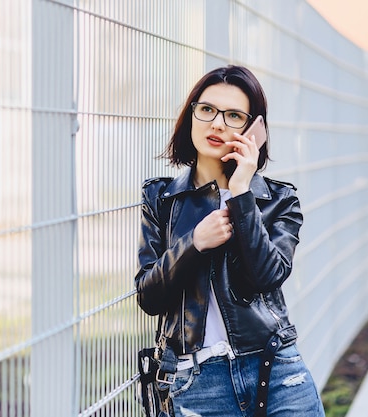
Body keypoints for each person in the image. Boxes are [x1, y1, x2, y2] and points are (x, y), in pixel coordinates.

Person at [134, 65, 325, 416]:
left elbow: (267, 276)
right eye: (207, 110)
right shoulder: (162, 199)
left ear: (255, 130)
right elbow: (149, 296)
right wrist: (194, 242)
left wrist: (240, 192)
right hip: (197, 382)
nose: (217, 123)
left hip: (276, 371)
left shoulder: (279, 201)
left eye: (234, 115)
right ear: (190, 114)